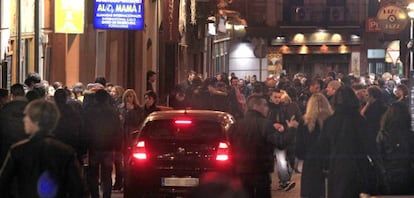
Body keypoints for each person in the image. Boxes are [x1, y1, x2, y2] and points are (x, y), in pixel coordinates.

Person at [0, 99, 85, 197]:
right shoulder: (66, 152)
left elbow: (3, 184)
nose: (24, 119)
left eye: (27, 115)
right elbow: (77, 189)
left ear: (36, 121)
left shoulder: (18, 150)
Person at [230, 95, 299, 198]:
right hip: (260, 170)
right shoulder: (264, 124)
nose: (267, 108)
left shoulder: (236, 125)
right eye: (265, 105)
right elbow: (280, 143)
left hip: (241, 170)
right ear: (256, 106)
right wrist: (291, 129)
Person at [320, 86, 377, 197]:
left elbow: (323, 148)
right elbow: (370, 145)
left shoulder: (330, 122)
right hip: (358, 167)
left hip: (337, 167)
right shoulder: (360, 120)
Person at [84, 89, 121, 198]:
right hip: (108, 148)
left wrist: (85, 146)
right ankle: (106, 195)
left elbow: (87, 129)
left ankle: (95, 195)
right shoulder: (112, 112)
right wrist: (118, 147)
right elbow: (118, 130)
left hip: (94, 147)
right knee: (107, 175)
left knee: (93, 174)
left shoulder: (90, 111)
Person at [296, 93, 333, 198]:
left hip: (310, 163)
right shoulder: (331, 121)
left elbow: (299, 148)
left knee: (311, 192)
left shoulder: (304, 122)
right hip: (329, 162)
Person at [376, 101, 414, 195]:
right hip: (408, 174)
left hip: (388, 175)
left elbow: (379, 157)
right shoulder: (410, 135)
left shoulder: (383, 135)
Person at [0, 84, 29, 165]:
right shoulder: (31, 108)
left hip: (7, 149)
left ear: (12, 95)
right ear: (24, 93)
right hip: (26, 149)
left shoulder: (5, 109)